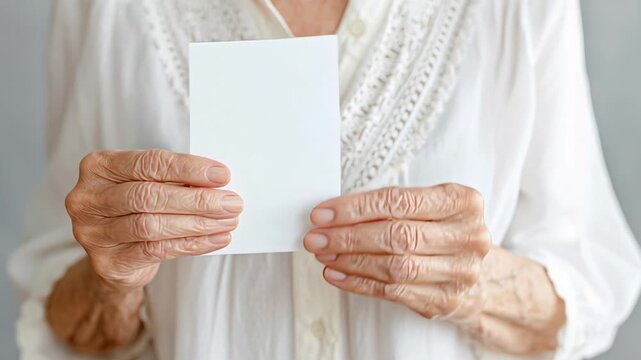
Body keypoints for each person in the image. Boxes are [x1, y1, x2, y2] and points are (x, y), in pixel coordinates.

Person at [8, 0, 641, 359]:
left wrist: (475, 284)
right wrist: (111, 279)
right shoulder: (107, 9)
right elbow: (64, 310)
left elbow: (586, 285)